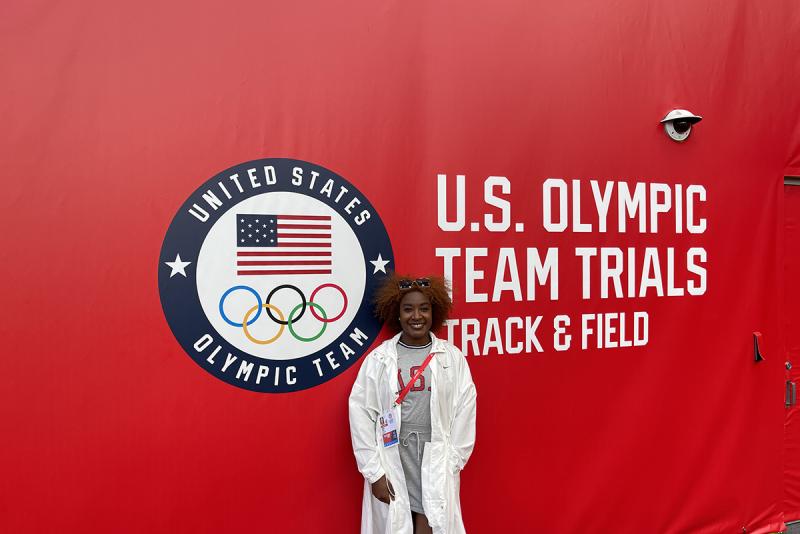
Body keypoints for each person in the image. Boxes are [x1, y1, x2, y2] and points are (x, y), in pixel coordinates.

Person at [349, 274, 477, 534]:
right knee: (398, 521)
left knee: (429, 524)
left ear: (434, 312)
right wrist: (374, 473)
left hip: (434, 454)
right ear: (397, 314)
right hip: (395, 454)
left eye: (424, 309)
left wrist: (452, 461)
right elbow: (361, 412)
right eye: (408, 309)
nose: (416, 316)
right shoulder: (380, 359)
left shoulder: (451, 357)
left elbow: (466, 407)